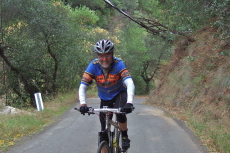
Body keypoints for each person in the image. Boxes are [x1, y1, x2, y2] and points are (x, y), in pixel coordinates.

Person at [78, 39, 135, 150]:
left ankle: (124, 136)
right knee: (103, 128)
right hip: (104, 97)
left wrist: (129, 102)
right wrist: (83, 104)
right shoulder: (93, 66)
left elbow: (129, 82)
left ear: (112, 54)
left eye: (107, 55)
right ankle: (105, 146)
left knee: (120, 113)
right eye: (101, 56)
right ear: (97, 56)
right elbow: (83, 86)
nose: (104, 59)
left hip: (119, 94)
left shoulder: (119, 64)